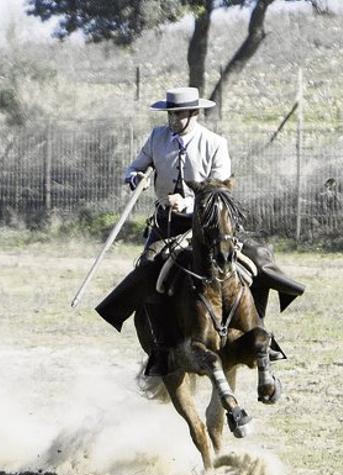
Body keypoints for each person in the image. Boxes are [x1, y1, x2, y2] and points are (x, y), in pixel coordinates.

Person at [95, 87, 304, 375]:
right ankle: (161, 348)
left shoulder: (215, 143)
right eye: (170, 113)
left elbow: (220, 191)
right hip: (168, 225)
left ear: (193, 113)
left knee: (256, 258)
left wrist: (189, 203)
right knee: (147, 268)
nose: (173, 119)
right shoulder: (157, 138)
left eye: (178, 114)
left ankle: (259, 335)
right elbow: (133, 168)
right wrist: (135, 178)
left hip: (211, 223)